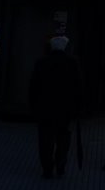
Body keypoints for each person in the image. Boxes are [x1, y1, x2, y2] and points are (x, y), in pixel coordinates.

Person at [28, 35, 83, 179]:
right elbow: (78, 86)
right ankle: (61, 164)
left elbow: (34, 86)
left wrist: (33, 106)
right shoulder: (72, 63)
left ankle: (47, 168)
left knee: (45, 139)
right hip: (65, 108)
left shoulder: (41, 63)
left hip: (45, 107)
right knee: (63, 137)